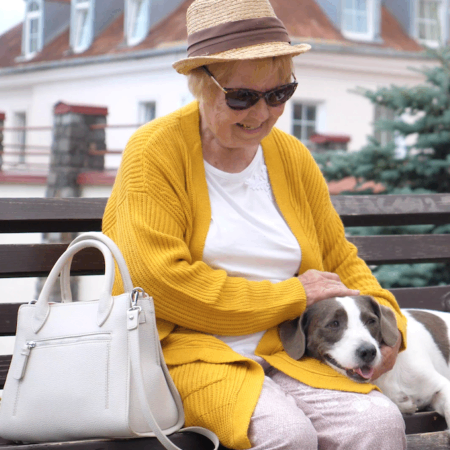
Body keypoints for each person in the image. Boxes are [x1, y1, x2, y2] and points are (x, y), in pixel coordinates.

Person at [102, 0, 407, 449]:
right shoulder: (155, 152)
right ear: (200, 84)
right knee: (287, 435)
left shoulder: (290, 155)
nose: (262, 114)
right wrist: (291, 296)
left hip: (291, 350)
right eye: (242, 97)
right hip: (188, 354)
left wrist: (390, 324)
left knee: (377, 423)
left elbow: (339, 258)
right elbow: (158, 281)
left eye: (278, 94)